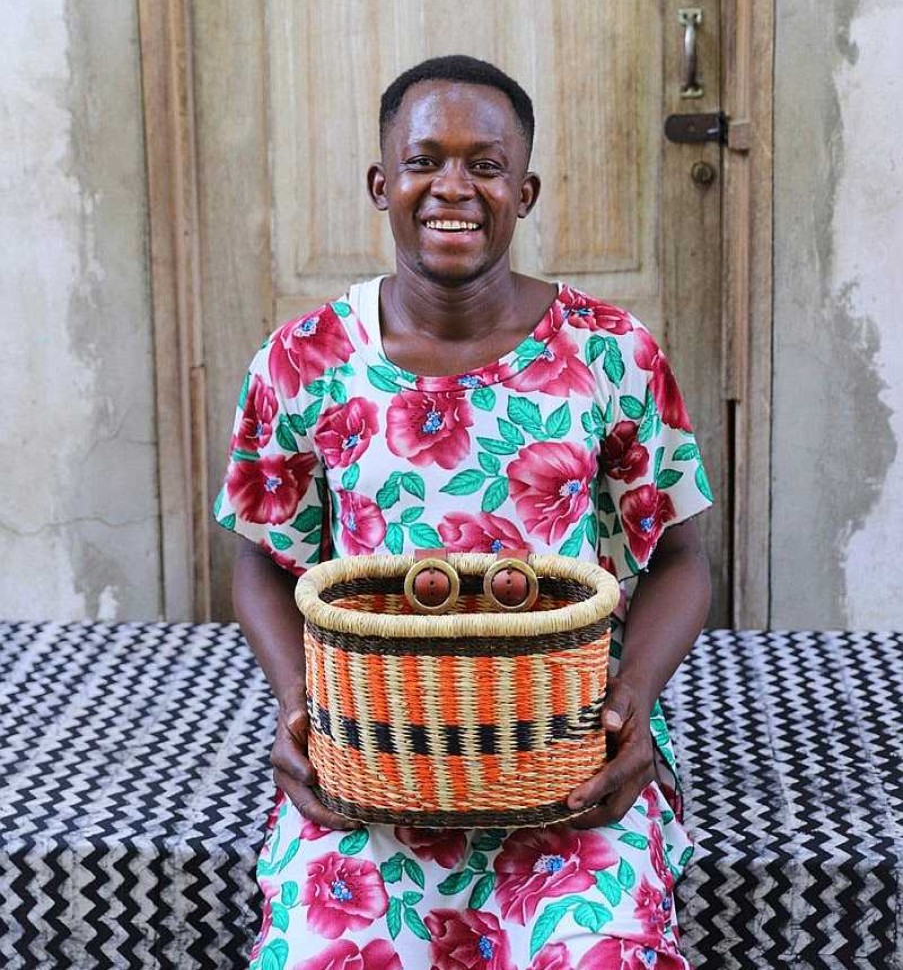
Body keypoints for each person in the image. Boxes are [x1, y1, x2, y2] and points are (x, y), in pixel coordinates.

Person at [216, 55, 712, 970]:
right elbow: (260, 556)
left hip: (567, 764)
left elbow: (682, 557)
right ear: (381, 182)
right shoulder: (302, 360)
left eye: (485, 165)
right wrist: (300, 710)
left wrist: (632, 703)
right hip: (373, 765)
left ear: (523, 191)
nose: (453, 186)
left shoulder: (610, 353)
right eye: (424, 161)